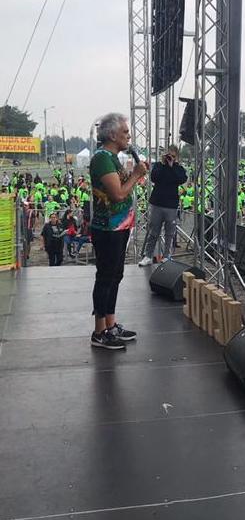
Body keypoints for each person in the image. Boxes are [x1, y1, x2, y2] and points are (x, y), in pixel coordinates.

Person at [89, 113, 147, 350]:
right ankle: (99, 331)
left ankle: (110, 325)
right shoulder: (102, 158)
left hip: (120, 226)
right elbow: (118, 194)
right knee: (105, 277)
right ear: (112, 135)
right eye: (125, 132)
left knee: (116, 275)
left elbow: (124, 187)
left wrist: (135, 174)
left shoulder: (113, 158)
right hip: (108, 228)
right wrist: (135, 175)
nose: (129, 137)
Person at [138, 144, 186, 266]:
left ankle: (166, 256)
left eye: (173, 156)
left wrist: (172, 166)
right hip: (157, 203)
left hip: (171, 205)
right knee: (153, 231)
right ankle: (148, 256)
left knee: (170, 233)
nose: (171, 158)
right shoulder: (159, 166)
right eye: (169, 155)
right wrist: (165, 165)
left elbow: (181, 179)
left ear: (177, 157)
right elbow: (154, 177)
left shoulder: (179, 168)